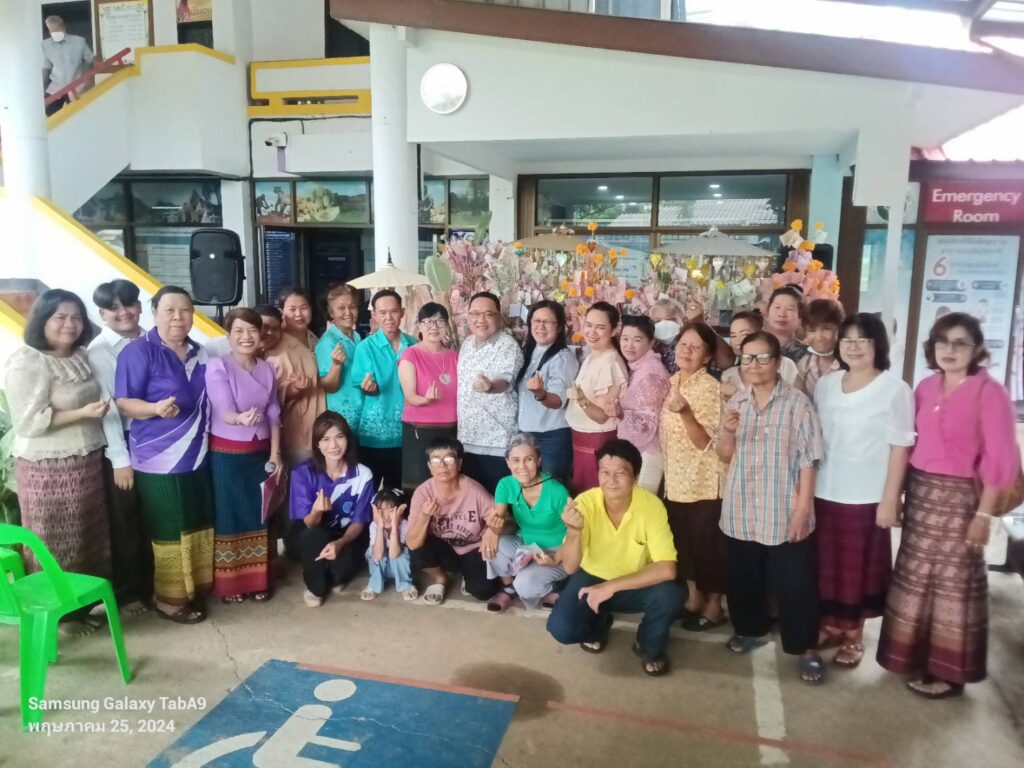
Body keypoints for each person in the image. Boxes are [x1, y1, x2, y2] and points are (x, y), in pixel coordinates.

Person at [877, 313, 1020, 699]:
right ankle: (912, 656)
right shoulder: (925, 387)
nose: (950, 350)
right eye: (942, 341)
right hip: (922, 496)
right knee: (916, 579)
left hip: (962, 502)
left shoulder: (990, 393)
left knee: (953, 586)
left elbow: (1000, 460)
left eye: (960, 343)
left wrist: (984, 516)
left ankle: (949, 673)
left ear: (976, 349)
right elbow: (907, 445)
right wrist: (897, 495)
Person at [717, 331, 825, 683]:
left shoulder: (797, 404)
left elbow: (810, 459)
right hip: (742, 505)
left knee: (796, 583)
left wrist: (803, 510)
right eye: (747, 358)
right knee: (744, 576)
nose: (754, 365)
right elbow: (724, 455)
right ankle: (749, 630)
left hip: (783, 506)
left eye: (763, 357)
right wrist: (727, 431)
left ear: (778, 363)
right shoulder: (737, 403)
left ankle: (806, 647)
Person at [5, 289, 111, 637]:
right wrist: (82, 413)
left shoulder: (80, 355)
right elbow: (28, 422)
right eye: (60, 317)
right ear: (42, 320)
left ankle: (77, 607)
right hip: (46, 468)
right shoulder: (28, 361)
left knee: (84, 537)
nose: (70, 324)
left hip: (86, 459)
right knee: (52, 540)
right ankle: (54, 616)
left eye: (76, 317)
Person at [814, 314, 914, 668]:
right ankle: (830, 625)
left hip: (865, 496)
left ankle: (853, 635)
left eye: (863, 340)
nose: (853, 347)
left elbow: (900, 448)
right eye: (847, 340)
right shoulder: (826, 384)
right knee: (826, 565)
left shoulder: (895, 390)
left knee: (856, 571)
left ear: (878, 345)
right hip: (823, 490)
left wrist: (891, 499)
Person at [115, 286, 213, 625]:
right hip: (158, 458)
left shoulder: (200, 352)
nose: (178, 317)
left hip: (198, 454)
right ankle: (170, 600)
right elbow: (124, 402)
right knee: (169, 528)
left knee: (195, 521)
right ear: (154, 313)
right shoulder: (138, 351)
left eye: (185, 310)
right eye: (169, 310)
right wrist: (155, 409)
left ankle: (194, 589)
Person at [547, 439, 682, 677]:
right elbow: (570, 567)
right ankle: (598, 627)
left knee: (672, 595)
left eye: (620, 473)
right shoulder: (584, 503)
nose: (611, 480)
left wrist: (610, 587)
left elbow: (666, 569)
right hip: (590, 578)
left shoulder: (651, 506)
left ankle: (648, 646)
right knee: (562, 629)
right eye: (605, 472)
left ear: (636, 477)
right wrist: (574, 531)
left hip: (633, 582)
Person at [205, 309, 283, 604]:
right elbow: (224, 408)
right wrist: (239, 419)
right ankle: (231, 584)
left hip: (260, 452)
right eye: (238, 331)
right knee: (230, 515)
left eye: (252, 330)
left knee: (260, 513)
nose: (246, 337)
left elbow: (274, 412)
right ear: (228, 336)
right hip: (227, 453)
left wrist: (276, 453)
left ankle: (260, 580)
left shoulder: (267, 368)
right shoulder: (218, 366)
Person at [87, 279, 150, 614]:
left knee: (151, 516)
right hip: (124, 442)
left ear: (139, 307)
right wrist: (120, 459)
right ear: (102, 314)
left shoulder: (150, 339)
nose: (123, 312)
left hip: (155, 439)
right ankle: (129, 593)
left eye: (128, 304)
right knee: (126, 520)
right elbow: (108, 407)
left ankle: (154, 584)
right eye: (113, 308)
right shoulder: (99, 351)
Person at [660, 322, 728, 632]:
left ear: (708, 357)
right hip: (677, 479)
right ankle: (694, 599)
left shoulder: (710, 388)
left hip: (705, 481)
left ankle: (714, 607)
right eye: (683, 344)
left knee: (708, 547)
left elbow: (705, 443)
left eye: (695, 347)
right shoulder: (674, 381)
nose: (686, 351)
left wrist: (686, 413)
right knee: (683, 542)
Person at [287, 412, 374, 608]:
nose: (333, 445)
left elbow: (359, 522)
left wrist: (340, 543)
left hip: (343, 535)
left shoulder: (363, 474)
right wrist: (317, 511)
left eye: (339, 437)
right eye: (325, 439)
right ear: (317, 444)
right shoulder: (302, 472)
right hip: (308, 533)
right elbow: (308, 523)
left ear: (348, 440)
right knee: (315, 536)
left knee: (342, 571)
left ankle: (323, 568)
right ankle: (315, 589)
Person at [407, 436, 502, 605]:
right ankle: (441, 578)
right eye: (436, 460)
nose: (442, 465)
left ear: (459, 463)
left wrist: (492, 531)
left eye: (449, 459)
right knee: (418, 550)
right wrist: (424, 516)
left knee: (483, 591)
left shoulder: (474, 490)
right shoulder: (423, 493)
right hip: (443, 550)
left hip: (473, 549)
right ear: (429, 466)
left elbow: (500, 519)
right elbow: (412, 543)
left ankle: (467, 574)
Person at [482, 433, 570, 612]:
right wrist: (492, 530)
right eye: (515, 460)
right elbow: (500, 518)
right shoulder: (506, 484)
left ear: (538, 461)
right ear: (508, 463)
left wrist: (556, 559)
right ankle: (510, 586)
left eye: (528, 459)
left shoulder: (557, 491)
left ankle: (558, 586)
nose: (522, 466)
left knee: (526, 585)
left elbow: (575, 534)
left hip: (557, 549)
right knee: (492, 545)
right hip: (527, 544)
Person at [457, 292, 524, 495]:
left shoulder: (507, 345)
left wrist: (490, 386)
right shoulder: (467, 344)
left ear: (498, 317)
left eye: (488, 314)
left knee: (499, 504)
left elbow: (505, 381)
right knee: (473, 503)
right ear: (468, 316)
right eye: (475, 314)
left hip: (497, 443)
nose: (481, 320)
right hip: (468, 441)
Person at [350, 290, 416, 489]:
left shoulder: (414, 345)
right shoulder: (365, 347)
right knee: (368, 493)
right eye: (382, 312)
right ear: (375, 316)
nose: (389, 317)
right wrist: (369, 388)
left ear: (402, 312)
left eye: (393, 311)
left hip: (407, 433)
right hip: (374, 436)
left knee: (399, 493)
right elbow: (364, 386)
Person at [565, 302, 628, 494]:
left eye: (600, 327)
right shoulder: (595, 355)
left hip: (596, 440)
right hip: (582, 437)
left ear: (614, 330)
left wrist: (581, 398)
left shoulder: (609, 362)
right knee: (584, 495)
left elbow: (601, 416)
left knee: (595, 496)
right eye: (589, 325)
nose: (592, 332)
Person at [515, 301, 579, 486]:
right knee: (529, 489)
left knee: (551, 490)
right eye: (536, 321)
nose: (541, 326)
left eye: (548, 322)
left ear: (559, 327)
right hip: (528, 435)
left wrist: (541, 393)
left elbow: (557, 400)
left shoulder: (563, 358)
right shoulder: (530, 352)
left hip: (552, 437)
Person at [398, 302, 458, 491]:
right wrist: (426, 399)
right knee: (419, 485)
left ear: (447, 325)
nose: (434, 327)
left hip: (451, 430)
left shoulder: (455, 356)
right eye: (428, 322)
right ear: (419, 325)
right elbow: (410, 396)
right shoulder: (410, 355)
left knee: (448, 484)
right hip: (420, 430)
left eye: (440, 321)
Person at [257, 304, 326, 465]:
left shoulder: (279, 354)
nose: (270, 333)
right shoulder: (244, 357)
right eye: (264, 327)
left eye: (275, 329)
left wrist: (294, 389)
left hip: (290, 437)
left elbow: (274, 400)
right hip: (250, 438)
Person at [617, 315, 670, 493]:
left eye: (637, 340)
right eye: (625, 339)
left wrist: (619, 413)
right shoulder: (641, 366)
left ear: (651, 342)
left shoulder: (651, 373)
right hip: (639, 450)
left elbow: (647, 424)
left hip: (648, 453)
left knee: (642, 502)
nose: (629, 345)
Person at [315, 283, 363, 432]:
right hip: (341, 417)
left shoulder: (357, 336)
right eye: (341, 308)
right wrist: (336, 365)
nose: (348, 312)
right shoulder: (327, 342)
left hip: (361, 414)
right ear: (331, 313)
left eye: (352, 307)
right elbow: (328, 386)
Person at [720, 311, 797, 400]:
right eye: (733, 336)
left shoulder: (785, 365)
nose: (738, 342)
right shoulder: (729, 376)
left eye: (744, 335)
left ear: (760, 333)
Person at [361, 487, 418, 602]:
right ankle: (374, 584)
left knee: (402, 553)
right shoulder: (374, 526)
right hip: (383, 569)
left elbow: (394, 554)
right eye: (381, 512)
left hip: (399, 568)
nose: (386, 516)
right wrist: (380, 527)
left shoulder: (405, 525)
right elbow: (377, 555)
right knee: (372, 551)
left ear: (400, 510)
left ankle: (405, 585)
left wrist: (395, 526)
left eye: (391, 511)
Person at [41, 15, 95, 115]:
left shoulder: (79, 41)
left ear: (63, 27)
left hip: (77, 85)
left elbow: (90, 59)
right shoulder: (45, 45)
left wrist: (85, 79)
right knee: (48, 113)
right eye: (52, 30)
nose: (55, 33)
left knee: (77, 114)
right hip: (56, 86)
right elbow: (46, 67)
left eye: (57, 29)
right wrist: (41, 87)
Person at [795, 299, 843, 397]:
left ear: (839, 329)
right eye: (812, 330)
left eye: (826, 329)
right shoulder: (805, 364)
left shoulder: (847, 364)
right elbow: (798, 398)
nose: (819, 337)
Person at [765, 286, 807, 363]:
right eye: (777, 307)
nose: (782, 314)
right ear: (767, 311)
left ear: (800, 316)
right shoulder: (753, 346)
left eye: (789, 309)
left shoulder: (806, 354)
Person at [649, 298, 685, 374]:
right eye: (657, 321)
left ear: (683, 320)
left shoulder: (687, 348)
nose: (663, 324)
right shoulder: (650, 346)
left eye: (669, 320)